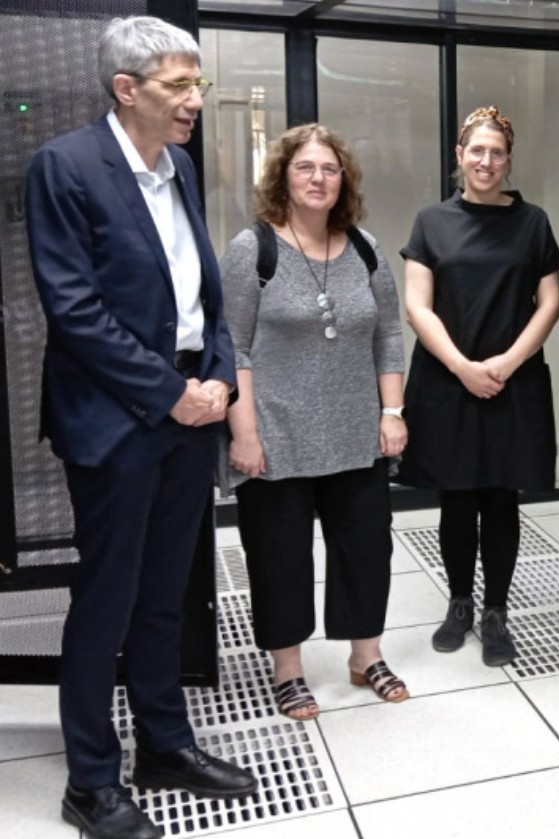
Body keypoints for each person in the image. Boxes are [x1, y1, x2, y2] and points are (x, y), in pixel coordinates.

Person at [24, 15, 257, 839]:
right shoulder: (65, 167)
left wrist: (221, 373)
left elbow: (203, 297)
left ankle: (163, 743)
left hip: (192, 409)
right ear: (127, 89)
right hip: (119, 419)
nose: (196, 99)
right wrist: (171, 393)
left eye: (198, 82)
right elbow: (74, 310)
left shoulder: (182, 168)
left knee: (168, 594)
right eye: (178, 85)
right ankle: (90, 780)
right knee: (108, 598)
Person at [218, 124, 409, 721]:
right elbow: (233, 347)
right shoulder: (254, 250)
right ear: (282, 177)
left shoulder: (367, 249)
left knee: (365, 550)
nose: (319, 178)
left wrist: (393, 412)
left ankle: (365, 656)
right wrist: (243, 433)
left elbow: (388, 333)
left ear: (343, 180)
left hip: (357, 433)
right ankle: (288, 669)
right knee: (280, 557)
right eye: (305, 168)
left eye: (329, 168)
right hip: (277, 434)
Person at [399, 106, 559, 667]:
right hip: (449, 381)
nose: (486, 161)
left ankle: (497, 611)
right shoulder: (431, 221)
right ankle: (460, 603)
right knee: (456, 496)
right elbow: (416, 306)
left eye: (497, 152)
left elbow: (550, 304)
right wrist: (463, 366)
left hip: (512, 381)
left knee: (501, 498)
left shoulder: (533, 222)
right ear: (459, 157)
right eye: (477, 151)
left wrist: (508, 362)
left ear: (508, 159)